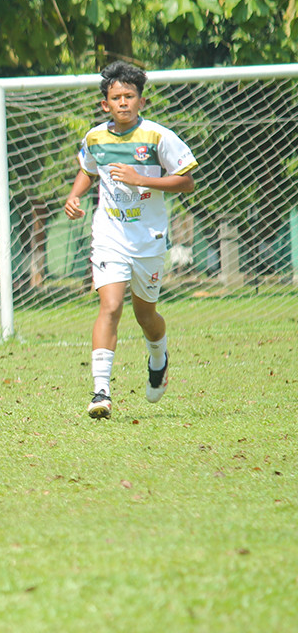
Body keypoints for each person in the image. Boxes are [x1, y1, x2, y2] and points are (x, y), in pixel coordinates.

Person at [63, 61, 198, 419]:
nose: (123, 102)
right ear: (104, 104)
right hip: (109, 235)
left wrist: (141, 179)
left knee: (145, 315)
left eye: (129, 96)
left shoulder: (158, 137)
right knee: (110, 307)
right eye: (116, 97)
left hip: (149, 239)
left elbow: (186, 181)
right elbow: (87, 170)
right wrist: (74, 196)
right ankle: (101, 391)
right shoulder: (94, 138)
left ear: (141, 101)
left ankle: (158, 357)